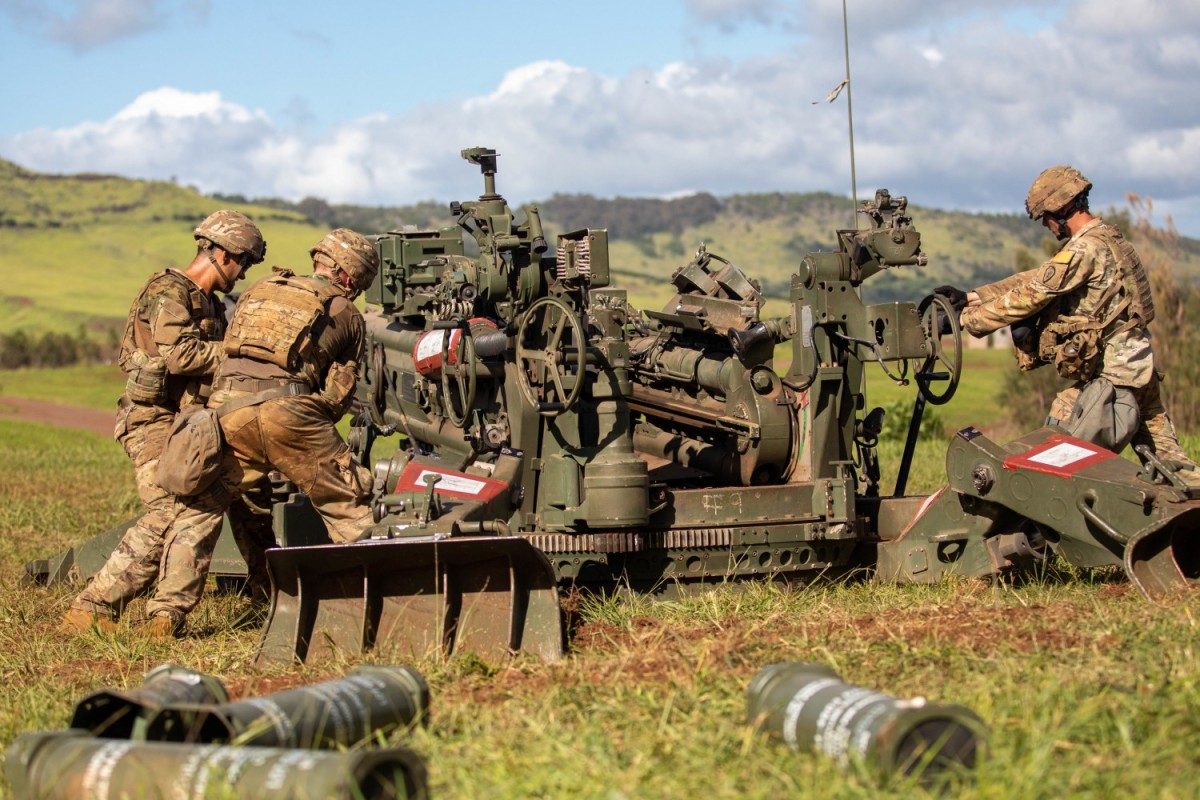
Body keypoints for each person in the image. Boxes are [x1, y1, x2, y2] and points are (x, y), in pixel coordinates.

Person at [61, 210, 276, 637]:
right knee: (171, 508)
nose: (243, 271)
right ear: (219, 252)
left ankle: (269, 598)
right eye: (242, 261)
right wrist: (242, 355)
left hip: (193, 425)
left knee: (251, 502)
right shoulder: (168, 292)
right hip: (152, 420)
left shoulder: (212, 304)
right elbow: (180, 356)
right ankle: (93, 607)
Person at [937, 165, 1198, 483]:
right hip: (1141, 372)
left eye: (1045, 216)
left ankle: (1035, 531)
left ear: (1061, 208)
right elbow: (1038, 276)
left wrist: (963, 320)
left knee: (1053, 468)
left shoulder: (1083, 250)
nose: (1046, 225)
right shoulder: (1108, 240)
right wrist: (972, 296)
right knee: (1175, 468)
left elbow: (1030, 295)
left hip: (1114, 382)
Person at [163, 228, 381, 600]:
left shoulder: (261, 288)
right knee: (349, 504)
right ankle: (371, 597)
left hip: (227, 412)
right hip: (292, 412)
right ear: (348, 275)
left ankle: (165, 612)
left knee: (199, 510)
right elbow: (338, 393)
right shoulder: (346, 311)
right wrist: (310, 424)